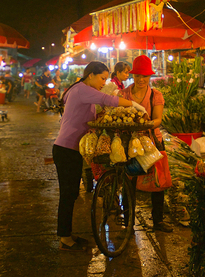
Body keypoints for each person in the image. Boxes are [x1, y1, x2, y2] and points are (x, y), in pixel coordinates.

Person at [52, 61, 143, 252]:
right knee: (68, 195)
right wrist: (135, 105)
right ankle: (64, 239)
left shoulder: (79, 89)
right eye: (102, 78)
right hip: (66, 149)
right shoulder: (82, 89)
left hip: (71, 149)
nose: (104, 82)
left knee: (71, 194)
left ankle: (66, 234)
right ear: (91, 75)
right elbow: (109, 100)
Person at [119, 55, 173, 233]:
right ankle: (128, 222)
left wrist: (145, 124)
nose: (141, 80)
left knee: (157, 182)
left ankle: (158, 221)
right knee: (129, 182)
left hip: (152, 142)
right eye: (138, 76)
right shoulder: (124, 94)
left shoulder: (156, 95)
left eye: (145, 76)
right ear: (132, 76)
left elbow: (157, 119)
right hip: (130, 143)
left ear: (149, 77)